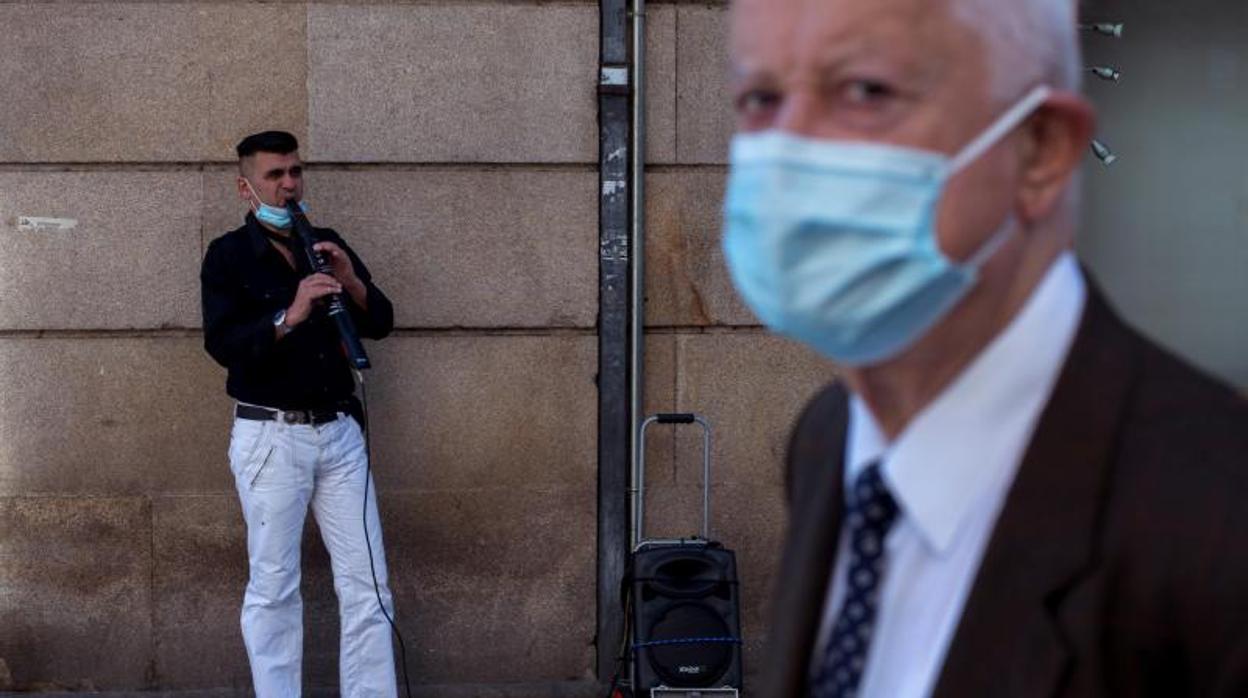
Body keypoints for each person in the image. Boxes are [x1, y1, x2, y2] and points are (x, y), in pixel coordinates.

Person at [720, 1, 1248, 696]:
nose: (790, 152)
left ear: (1042, 149)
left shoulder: (1218, 518)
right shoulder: (829, 442)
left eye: (866, 91)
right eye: (761, 97)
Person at [201, 130, 398, 697]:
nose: (289, 185)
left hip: (338, 433)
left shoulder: (326, 242)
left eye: (294, 173)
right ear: (246, 187)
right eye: (274, 176)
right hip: (271, 437)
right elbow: (223, 344)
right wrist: (290, 315)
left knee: (369, 584)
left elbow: (380, 321)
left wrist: (351, 281)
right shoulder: (227, 255)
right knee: (274, 586)